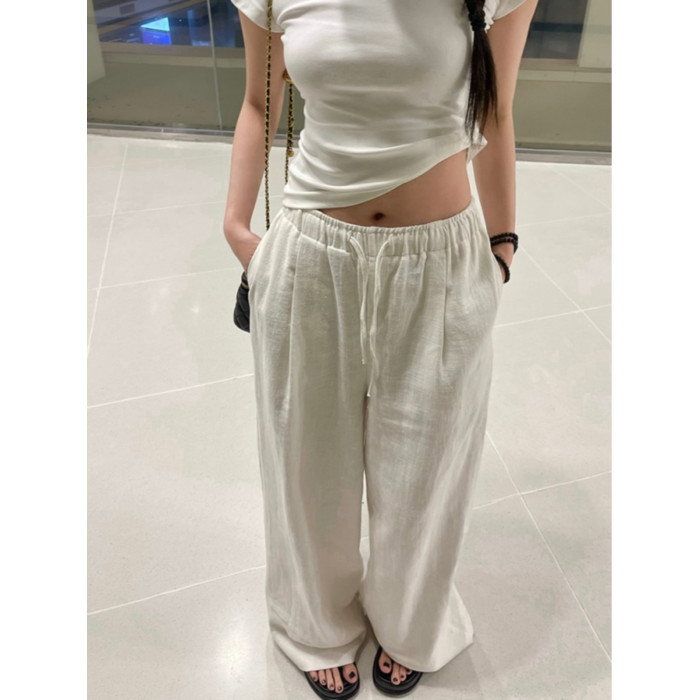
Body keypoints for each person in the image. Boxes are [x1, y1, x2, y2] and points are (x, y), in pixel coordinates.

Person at [223, 0, 538, 696]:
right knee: (306, 465)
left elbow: (497, 112)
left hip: (443, 260)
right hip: (312, 257)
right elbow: (257, 102)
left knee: (428, 471)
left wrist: (502, 245)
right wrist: (237, 228)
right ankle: (314, 624)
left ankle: (412, 622)